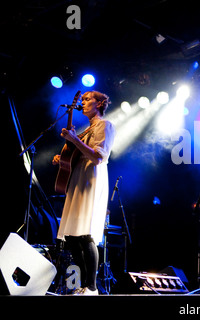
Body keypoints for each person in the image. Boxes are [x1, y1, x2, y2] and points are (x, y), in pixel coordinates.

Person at [52, 91, 115, 295]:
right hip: (78, 179)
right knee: (72, 235)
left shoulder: (105, 125)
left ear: (100, 103)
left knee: (86, 234)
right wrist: (61, 158)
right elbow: (76, 153)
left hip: (91, 180)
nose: (83, 102)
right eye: (83, 100)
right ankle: (82, 284)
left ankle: (92, 287)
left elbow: (98, 157)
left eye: (88, 99)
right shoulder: (86, 129)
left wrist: (74, 140)